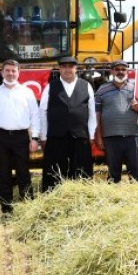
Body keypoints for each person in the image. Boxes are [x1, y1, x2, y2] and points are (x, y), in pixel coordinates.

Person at [0, 59, 40, 213]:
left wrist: (34, 138)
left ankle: (28, 208)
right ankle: (6, 209)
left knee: (23, 172)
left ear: (18, 72)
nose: (10, 74)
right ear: (2, 73)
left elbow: (35, 115)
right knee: (3, 174)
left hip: (21, 137)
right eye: (7, 70)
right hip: (0, 137)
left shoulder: (27, 92)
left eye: (13, 71)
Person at [39, 56, 97, 192]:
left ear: (75, 68)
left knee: (81, 173)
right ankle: (53, 201)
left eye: (70, 66)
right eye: (64, 67)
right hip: (56, 137)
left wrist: (91, 134)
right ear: (59, 69)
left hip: (80, 137)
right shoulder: (50, 87)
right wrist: (43, 136)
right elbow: (42, 112)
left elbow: (92, 112)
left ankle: (81, 201)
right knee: (54, 173)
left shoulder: (86, 85)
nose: (67, 69)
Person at [95, 60, 138, 183]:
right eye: (117, 69)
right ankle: (114, 201)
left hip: (132, 136)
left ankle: (137, 200)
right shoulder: (102, 90)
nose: (120, 72)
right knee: (113, 174)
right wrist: (99, 135)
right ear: (112, 71)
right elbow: (97, 114)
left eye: (123, 69)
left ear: (127, 71)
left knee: (135, 173)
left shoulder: (136, 89)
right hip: (110, 137)